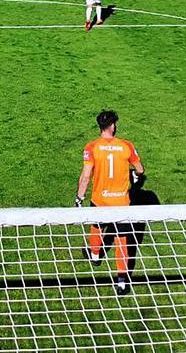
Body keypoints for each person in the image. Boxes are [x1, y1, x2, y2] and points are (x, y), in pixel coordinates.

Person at [74, 109, 144, 296]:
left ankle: (95, 256)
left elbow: (86, 175)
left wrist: (79, 197)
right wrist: (134, 177)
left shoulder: (91, 147)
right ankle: (122, 282)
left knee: (96, 227)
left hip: (100, 200)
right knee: (122, 241)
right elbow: (140, 169)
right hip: (121, 203)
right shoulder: (126, 145)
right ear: (112, 126)